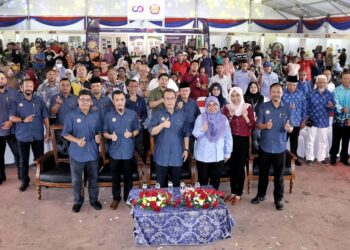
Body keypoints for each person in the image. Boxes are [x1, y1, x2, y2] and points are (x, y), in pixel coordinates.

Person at [251, 83, 293, 211]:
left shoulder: (287, 108)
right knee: (263, 174)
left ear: (282, 93)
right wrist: (265, 126)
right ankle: (261, 195)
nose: (276, 94)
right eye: (273, 91)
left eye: (278, 91)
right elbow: (258, 125)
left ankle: (278, 199)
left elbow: (291, 127)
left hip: (280, 147)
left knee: (279, 176)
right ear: (270, 93)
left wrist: (289, 128)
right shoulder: (263, 107)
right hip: (265, 146)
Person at [62, 90, 102, 213]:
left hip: (92, 153)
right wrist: (77, 140)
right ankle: (78, 201)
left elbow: (99, 131)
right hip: (76, 153)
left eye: (87, 99)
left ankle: (94, 200)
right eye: (82, 99)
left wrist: (99, 137)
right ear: (78, 101)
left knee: (94, 179)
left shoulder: (96, 115)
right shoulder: (71, 115)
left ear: (91, 102)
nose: (84, 102)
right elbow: (65, 134)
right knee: (76, 180)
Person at [9, 78, 50, 192]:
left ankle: (42, 179)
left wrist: (48, 132)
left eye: (31, 86)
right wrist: (23, 120)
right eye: (26, 86)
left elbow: (45, 117)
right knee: (23, 160)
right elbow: (11, 117)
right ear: (22, 88)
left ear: (34, 88)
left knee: (40, 159)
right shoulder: (16, 101)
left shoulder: (39, 100)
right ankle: (24, 181)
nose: (28, 88)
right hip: (22, 136)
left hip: (38, 136)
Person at [103, 90, 140, 210]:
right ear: (113, 102)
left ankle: (128, 198)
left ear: (125, 101)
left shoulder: (132, 114)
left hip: (128, 151)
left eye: (122, 99)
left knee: (128, 176)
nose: (119, 102)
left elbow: (137, 129)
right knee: (115, 177)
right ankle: (116, 198)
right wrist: (110, 136)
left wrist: (131, 134)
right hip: (114, 152)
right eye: (117, 100)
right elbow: (104, 133)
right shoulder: (108, 116)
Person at [149, 88, 190, 187]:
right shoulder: (157, 114)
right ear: (163, 99)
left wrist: (186, 149)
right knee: (162, 186)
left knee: (176, 185)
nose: (170, 101)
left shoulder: (182, 114)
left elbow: (186, 134)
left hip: (177, 155)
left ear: (176, 99)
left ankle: (175, 202)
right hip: (161, 156)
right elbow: (152, 131)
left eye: (172, 98)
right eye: (167, 98)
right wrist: (162, 125)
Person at [192, 96, 232, 190]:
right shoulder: (201, 118)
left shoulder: (223, 119)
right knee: (203, 181)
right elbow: (195, 134)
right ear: (206, 106)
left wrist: (227, 152)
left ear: (218, 105)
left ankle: (213, 200)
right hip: (203, 156)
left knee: (215, 181)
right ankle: (203, 200)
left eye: (214, 104)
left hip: (218, 156)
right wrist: (202, 129)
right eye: (209, 105)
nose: (212, 107)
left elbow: (228, 137)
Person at [223, 87, 255, 203]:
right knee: (232, 167)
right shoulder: (227, 108)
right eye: (233, 95)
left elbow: (252, 126)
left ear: (241, 96)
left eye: (237, 95)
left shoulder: (247, 107)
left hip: (243, 140)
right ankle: (232, 191)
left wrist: (245, 116)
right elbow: (223, 126)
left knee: (240, 167)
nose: (235, 98)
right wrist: (230, 117)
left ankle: (238, 194)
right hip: (230, 140)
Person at [305, 75, 335, 165]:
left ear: (326, 83)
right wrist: (306, 118)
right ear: (316, 83)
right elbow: (306, 107)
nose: (322, 84)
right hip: (312, 120)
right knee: (310, 140)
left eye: (324, 82)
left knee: (323, 140)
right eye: (320, 82)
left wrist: (331, 106)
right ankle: (309, 157)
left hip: (324, 120)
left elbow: (333, 108)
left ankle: (321, 158)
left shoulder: (329, 94)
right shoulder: (310, 93)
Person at [0, 71, 20, 184]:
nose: (0, 80)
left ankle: (22, 176)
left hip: (13, 129)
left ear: (6, 79)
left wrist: (11, 122)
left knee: (18, 154)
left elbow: (19, 109)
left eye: (2, 78)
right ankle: (1, 177)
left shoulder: (14, 92)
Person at [282, 76, 306, 166]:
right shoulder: (282, 93)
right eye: (290, 85)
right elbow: (279, 106)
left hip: (296, 122)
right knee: (282, 140)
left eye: (294, 85)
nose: (292, 87)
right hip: (284, 122)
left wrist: (303, 121)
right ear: (287, 85)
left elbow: (304, 108)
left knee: (294, 141)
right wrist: (287, 107)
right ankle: (282, 158)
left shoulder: (301, 94)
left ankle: (294, 158)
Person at [329, 71, 350, 166]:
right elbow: (335, 103)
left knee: (346, 140)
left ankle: (344, 157)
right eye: (345, 78)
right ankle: (333, 157)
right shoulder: (336, 91)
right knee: (336, 140)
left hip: (349, 120)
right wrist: (341, 109)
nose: (347, 80)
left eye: (348, 78)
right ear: (341, 79)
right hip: (338, 120)